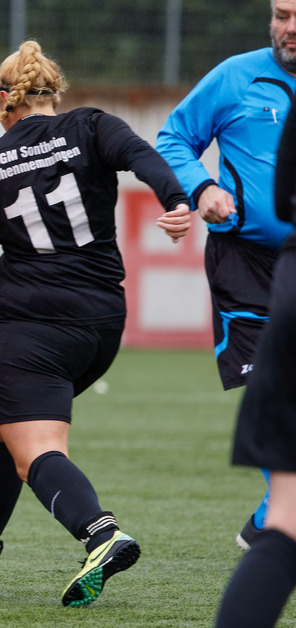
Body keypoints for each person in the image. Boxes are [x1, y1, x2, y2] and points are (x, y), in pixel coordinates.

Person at [0, 41, 191, 607]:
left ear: (3, 99)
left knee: (36, 449)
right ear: (55, 93)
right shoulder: (92, 125)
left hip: (34, 323)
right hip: (101, 322)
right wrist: (176, 199)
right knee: (0, 419)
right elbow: (143, 155)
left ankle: (101, 534)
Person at [156, 0, 296, 550]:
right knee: (269, 384)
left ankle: (268, 518)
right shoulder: (235, 77)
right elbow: (173, 138)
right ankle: (280, 517)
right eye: (282, 14)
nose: (291, 27)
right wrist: (203, 189)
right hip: (245, 260)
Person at [204, 100, 296, 628]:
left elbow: (285, 195)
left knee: (286, 526)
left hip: (289, 288)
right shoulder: (235, 80)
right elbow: (174, 136)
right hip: (260, 283)